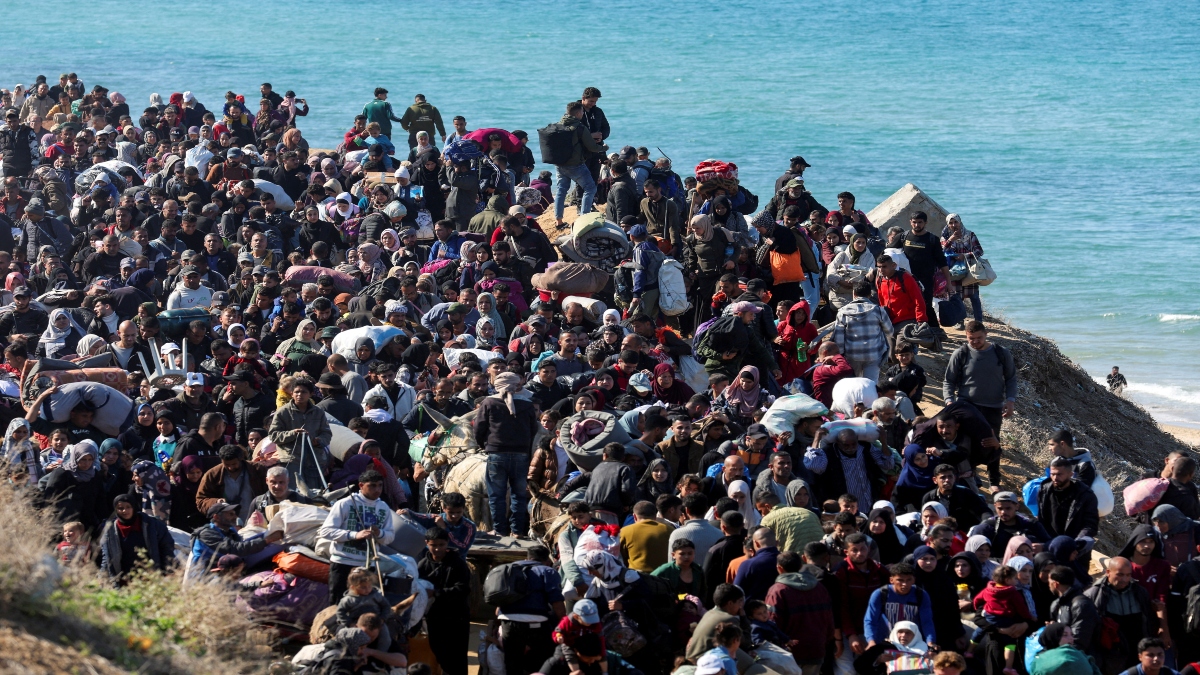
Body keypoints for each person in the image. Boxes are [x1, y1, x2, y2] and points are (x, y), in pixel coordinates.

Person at [943, 321, 1017, 490]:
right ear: (966, 337)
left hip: (993, 406)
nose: (975, 342)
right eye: (971, 339)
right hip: (967, 406)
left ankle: (994, 481)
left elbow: (1011, 378)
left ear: (986, 334)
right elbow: (949, 381)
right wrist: (949, 401)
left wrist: (1010, 400)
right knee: (967, 442)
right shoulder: (960, 353)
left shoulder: (1001, 353)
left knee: (992, 442)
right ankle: (971, 476)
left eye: (978, 338)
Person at [318, 469, 396, 606]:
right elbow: (326, 531)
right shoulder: (345, 504)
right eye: (372, 485)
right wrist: (354, 535)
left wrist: (380, 534)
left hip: (367, 565)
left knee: (363, 607)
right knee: (338, 605)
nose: (377, 489)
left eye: (380, 485)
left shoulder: (383, 507)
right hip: (343, 563)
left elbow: (390, 537)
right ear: (361, 486)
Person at [474, 371, 538, 536]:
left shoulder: (488, 403)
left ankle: (499, 530)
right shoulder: (527, 404)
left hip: (497, 454)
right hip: (521, 454)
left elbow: (479, 429)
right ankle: (516, 531)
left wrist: (486, 445)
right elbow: (533, 429)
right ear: (516, 385)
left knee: (497, 495)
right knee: (518, 494)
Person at [1084, 557, 1162, 675]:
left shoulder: (1140, 592)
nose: (1124, 579)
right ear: (1108, 572)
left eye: (1128, 575)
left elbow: (1148, 621)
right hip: (1110, 653)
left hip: (1136, 649)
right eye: (1120, 575)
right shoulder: (1093, 595)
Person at [417, 527, 472, 675]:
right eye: (433, 545)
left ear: (447, 543)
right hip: (435, 618)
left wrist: (436, 593)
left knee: (457, 658)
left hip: (456, 618)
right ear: (426, 543)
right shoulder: (422, 565)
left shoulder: (458, 564)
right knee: (439, 653)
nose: (437, 548)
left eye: (441, 545)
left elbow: (463, 589)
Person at [833, 532, 889, 675]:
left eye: (862, 549)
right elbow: (841, 607)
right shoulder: (841, 572)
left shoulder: (878, 569)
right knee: (847, 671)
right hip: (849, 632)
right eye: (854, 550)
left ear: (868, 549)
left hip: (874, 631)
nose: (859, 553)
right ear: (846, 552)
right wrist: (851, 635)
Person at [552, 100, 607, 227]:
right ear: (578, 113)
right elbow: (593, 147)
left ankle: (558, 221)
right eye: (582, 111)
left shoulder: (558, 125)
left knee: (561, 190)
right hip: (575, 165)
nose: (583, 113)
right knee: (590, 188)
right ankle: (584, 219)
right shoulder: (580, 127)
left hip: (560, 164)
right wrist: (604, 148)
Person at [97, 493, 175, 581]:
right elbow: (107, 558)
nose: (124, 511)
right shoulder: (110, 531)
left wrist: (168, 571)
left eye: (128, 507)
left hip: (151, 578)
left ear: (134, 507)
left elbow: (167, 549)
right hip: (125, 581)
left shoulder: (152, 525)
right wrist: (101, 578)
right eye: (120, 508)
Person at [832, 281, 892, 380]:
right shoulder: (879, 310)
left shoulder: (843, 312)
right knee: (871, 384)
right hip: (874, 355)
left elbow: (839, 339)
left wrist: (842, 356)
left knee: (854, 384)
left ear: (854, 294)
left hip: (852, 355)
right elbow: (889, 332)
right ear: (869, 295)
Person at [1038, 457, 1100, 540]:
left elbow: (1090, 524)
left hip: (1074, 546)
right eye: (1052, 474)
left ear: (1071, 474)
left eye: (1059, 474)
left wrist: (1078, 542)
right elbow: (1041, 518)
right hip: (1048, 543)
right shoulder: (1044, 490)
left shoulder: (1085, 495)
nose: (1055, 478)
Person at [1048, 565, 1101, 655]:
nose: (1048, 586)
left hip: (1081, 660)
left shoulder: (1081, 605)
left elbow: (1080, 640)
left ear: (1055, 584)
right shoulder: (1056, 604)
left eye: (1049, 583)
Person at [620, 500, 672, 573]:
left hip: (637, 577)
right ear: (655, 516)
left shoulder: (625, 531)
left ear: (634, 516)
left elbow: (620, 557)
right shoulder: (669, 530)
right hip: (663, 577)